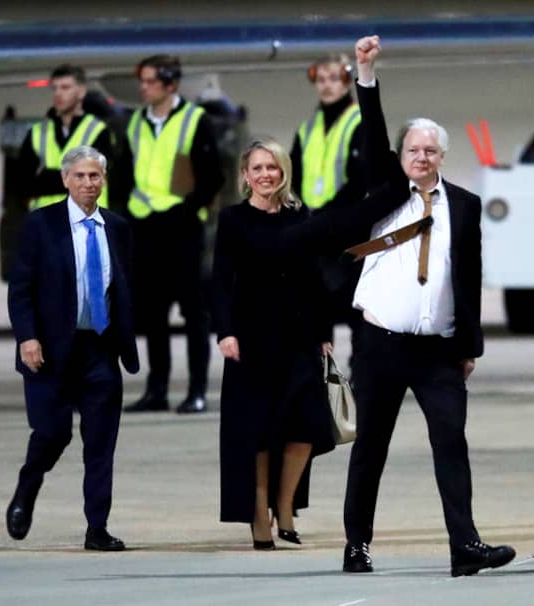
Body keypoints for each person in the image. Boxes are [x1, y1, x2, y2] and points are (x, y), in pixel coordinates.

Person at [341, 36, 516, 578]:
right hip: (380, 345)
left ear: (443, 156)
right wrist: (365, 76)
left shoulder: (463, 205)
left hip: (438, 350)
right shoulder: (384, 193)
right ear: (400, 158)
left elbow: (469, 276)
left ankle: (465, 546)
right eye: (413, 150)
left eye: (430, 151)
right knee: (371, 447)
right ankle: (357, 545)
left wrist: (469, 345)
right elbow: (372, 131)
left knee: (451, 444)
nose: (421, 157)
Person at [213, 139, 410, 549]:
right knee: (260, 435)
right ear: (245, 176)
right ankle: (259, 517)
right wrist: (225, 331)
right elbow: (220, 281)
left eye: (274, 167)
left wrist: (323, 333)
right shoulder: (233, 220)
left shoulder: (300, 216)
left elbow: (312, 279)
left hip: (299, 336)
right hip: (251, 340)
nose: (267, 174)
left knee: (303, 427)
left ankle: (285, 508)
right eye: (259, 168)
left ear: (284, 172)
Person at [6, 146, 139, 551]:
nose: (88, 183)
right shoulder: (40, 225)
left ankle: (96, 527)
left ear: (103, 180)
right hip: (50, 349)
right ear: (65, 180)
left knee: (100, 444)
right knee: (53, 433)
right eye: (80, 176)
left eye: (95, 176)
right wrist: (27, 336)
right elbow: (21, 288)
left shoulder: (116, 226)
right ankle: (27, 488)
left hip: (99, 349)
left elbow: (123, 287)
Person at [122, 54, 224, 414]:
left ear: (171, 85)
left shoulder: (195, 121)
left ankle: (196, 390)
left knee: (194, 313)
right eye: (143, 81)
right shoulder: (136, 122)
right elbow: (125, 172)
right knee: (152, 314)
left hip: (181, 229)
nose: (143, 87)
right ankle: (157, 389)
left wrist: (187, 211)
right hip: (145, 226)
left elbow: (213, 177)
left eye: (150, 81)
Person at [290, 53, 365, 376]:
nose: (327, 86)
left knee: (358, 312)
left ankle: (362, 376)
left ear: (347, 81)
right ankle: (323, 378)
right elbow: (292, 177)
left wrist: (325, 215)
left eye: (333, 79)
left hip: (348, 233)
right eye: (321, 79)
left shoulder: (359, 123)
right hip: (315, 234)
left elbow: (360, 179)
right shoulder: (308, 130)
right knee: (316, 314)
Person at [16, 64, 117, 211]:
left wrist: (45, 176)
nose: (58, 93)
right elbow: (24, 183)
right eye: (55, 88)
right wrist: (75, 177)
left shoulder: (98, 131)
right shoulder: (37, 132)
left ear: (81, 92)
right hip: (47, 221)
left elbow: (97, 181)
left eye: (65, 88)